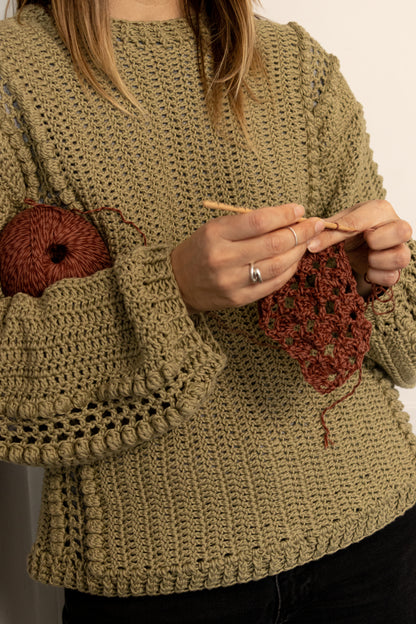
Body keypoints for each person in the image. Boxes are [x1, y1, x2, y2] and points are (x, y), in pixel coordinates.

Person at [0, 0, 415, 622]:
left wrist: (374, 273)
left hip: (375, 531)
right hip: (156, 573)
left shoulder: (296, 63)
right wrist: (172, 288)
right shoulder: (12, 81)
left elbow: (407, 352)